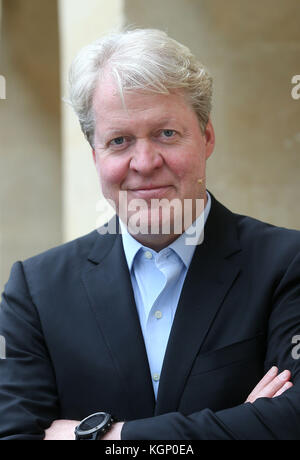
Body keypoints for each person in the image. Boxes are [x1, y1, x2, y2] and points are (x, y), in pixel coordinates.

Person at [0, 28, 300, 441]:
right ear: (95, 155)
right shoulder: (34, 291)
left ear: (207, 136)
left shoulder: (286, 264)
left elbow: (293, 421)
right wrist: (240, 425)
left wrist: (106, 436)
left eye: (166, 134)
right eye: (119, 141)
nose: (144, 162)